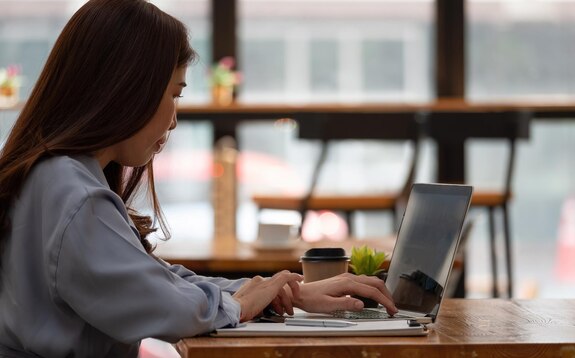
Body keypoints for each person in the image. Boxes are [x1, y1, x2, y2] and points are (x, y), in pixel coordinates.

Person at [0, 1, 397, 357]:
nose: (173, 120)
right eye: (173, 94)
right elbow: (164, 305)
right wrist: (241, 304)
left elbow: (155, 279)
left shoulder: (54, 175)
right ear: (125, 89)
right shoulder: (75, 193)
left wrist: (282, 291)